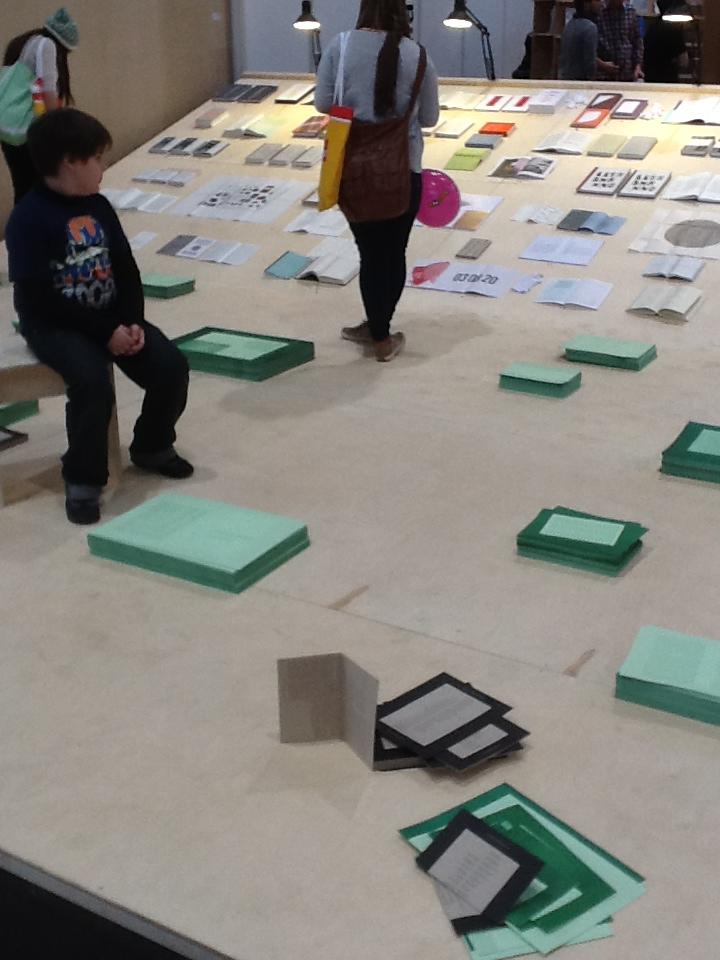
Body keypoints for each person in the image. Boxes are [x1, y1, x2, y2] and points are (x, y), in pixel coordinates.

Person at [5, 108, 192, 525]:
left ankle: (152, 445)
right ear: (70, 162)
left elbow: (125, 268)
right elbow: (40, 298)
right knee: (91, 385)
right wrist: (106, 332)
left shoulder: (99, 205)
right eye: (97, 159)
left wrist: (131, 322)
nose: (103, 167)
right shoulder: (28, 219)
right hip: (53, 325)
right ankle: (83, 479)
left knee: (170, 367)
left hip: (111, 318)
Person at [315, 0, 439, 362]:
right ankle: (381, 331)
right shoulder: (418, 55)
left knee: (369, 254)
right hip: (404, 168)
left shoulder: (341, 45)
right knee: (393, 252)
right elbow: (428, 117)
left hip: (354, 168)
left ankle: (378, 329)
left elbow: (324, 102)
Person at [2, 7, 79, 205]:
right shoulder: (47, 45)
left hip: (9, 128)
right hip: (28, 130)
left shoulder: (26, 43)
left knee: (22, 185)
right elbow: (48, 89)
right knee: (39, 187)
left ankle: (21, 233)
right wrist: (57, 130)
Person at [597, 0, 644, 81]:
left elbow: (637, 42)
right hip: (604, 75)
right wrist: (602, 65)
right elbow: (589, 48)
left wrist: (638, 66)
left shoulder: (630, 12)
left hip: (627, 73)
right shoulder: (598, 12)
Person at [644, 0, 688, 83]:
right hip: (668, 83)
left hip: (650, 82)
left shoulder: (652, 28)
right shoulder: (675, 30)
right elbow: (684, 62)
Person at [560, 0, 603, 80]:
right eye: (597, 0)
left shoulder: (569, 25)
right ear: (586, 4)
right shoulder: (590, 27)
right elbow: (590, 64)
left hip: (565, 80)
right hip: (580, 83)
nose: (601, 4)